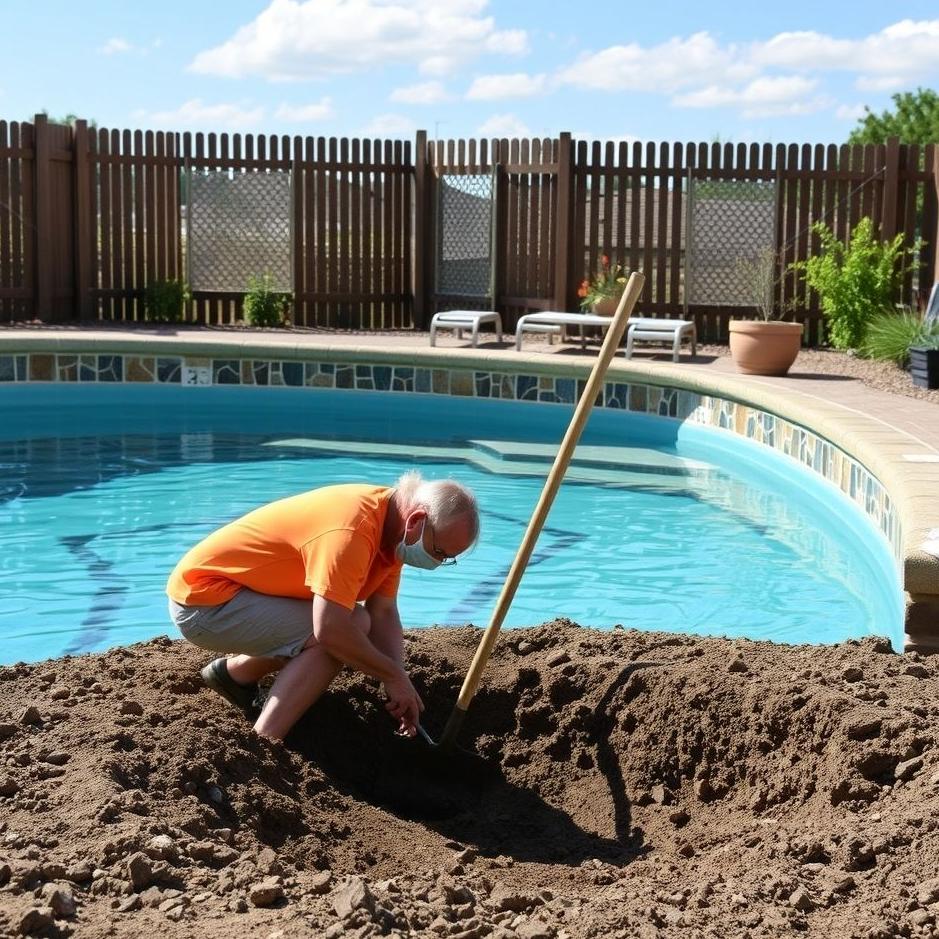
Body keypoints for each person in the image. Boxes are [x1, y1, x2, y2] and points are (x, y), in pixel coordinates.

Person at [166, 470, 479, 742]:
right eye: (439, 552)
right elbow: (330, 629)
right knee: (347, 628)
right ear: (417, 521)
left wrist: (395, 676)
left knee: (355, 623)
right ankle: (265, 740)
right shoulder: (353, 529)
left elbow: (383, 611)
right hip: (205, 602)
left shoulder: (394, 530)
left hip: (243, 595)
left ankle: (234, 676)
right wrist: (393, 677)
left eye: (446, 559)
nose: (438, 562)